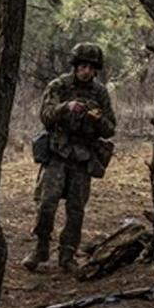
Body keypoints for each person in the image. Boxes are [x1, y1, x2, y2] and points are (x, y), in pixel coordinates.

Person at [22, 42, 116, 273]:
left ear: (96, 70)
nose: (86, 71)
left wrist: (96, 119)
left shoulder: (100, 93)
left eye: (91, 68)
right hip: (57, 153)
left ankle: (67, 255)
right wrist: (66, 107)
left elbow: (110, 128)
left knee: (76, 210)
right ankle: (41, 248)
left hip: (83, 158)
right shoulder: (59, 86)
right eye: (83, 66)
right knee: (46, 204)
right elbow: (45, 116)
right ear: (75, 66)